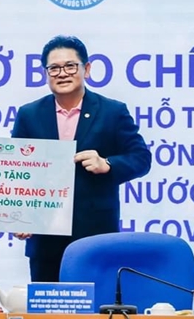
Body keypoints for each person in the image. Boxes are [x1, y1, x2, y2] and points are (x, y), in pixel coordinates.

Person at [11, 35, 151, 282]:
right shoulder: (29, 114)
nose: (62, 73)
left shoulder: (112, 111)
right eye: (54, 68)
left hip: (96, 237)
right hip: (45, 241)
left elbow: (141, 158)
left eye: (70, 66)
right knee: (48, 303)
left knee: (98, 303)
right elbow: (16, 172)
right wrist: (19, 216)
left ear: (86, 69)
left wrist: (107, 164)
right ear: (45, 73)